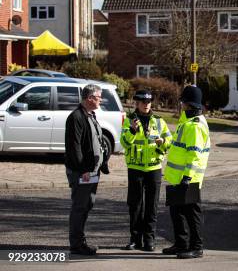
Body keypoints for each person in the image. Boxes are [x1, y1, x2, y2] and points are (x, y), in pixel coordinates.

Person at [162, 85, 210, 259]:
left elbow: (194, 154)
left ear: (189, 105)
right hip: (178, 177)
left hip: (188, 178)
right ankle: (181, 244)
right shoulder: (187, 121)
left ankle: (197, 247)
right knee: (177, 212)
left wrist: (187, 177)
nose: (181, 104)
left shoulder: (195, 126)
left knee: (192, 213)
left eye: (183, 102)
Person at [120, 90, 172, 251]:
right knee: (135, 205)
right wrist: (133, 131)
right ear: (137, 103)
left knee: (152, 205)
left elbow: (169, 140)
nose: (146, 104)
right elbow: (124, 143)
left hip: (154, 168)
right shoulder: (129, 120)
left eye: (149, 101)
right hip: (135, 167)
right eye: (143, 101)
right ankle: (135, 239)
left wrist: (162, 141)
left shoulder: (158, 121)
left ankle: (149, 240)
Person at [64, 84, 109, 256]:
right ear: (89, 98)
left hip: (92, 171)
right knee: (80, 206)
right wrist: (83, 168)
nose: (101, 100)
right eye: (99, 97)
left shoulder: (90, 115)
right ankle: (76, 244)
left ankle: (80, 241)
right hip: (82, 172)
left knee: (87, 204)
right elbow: (74, 147)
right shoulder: (76, 117)